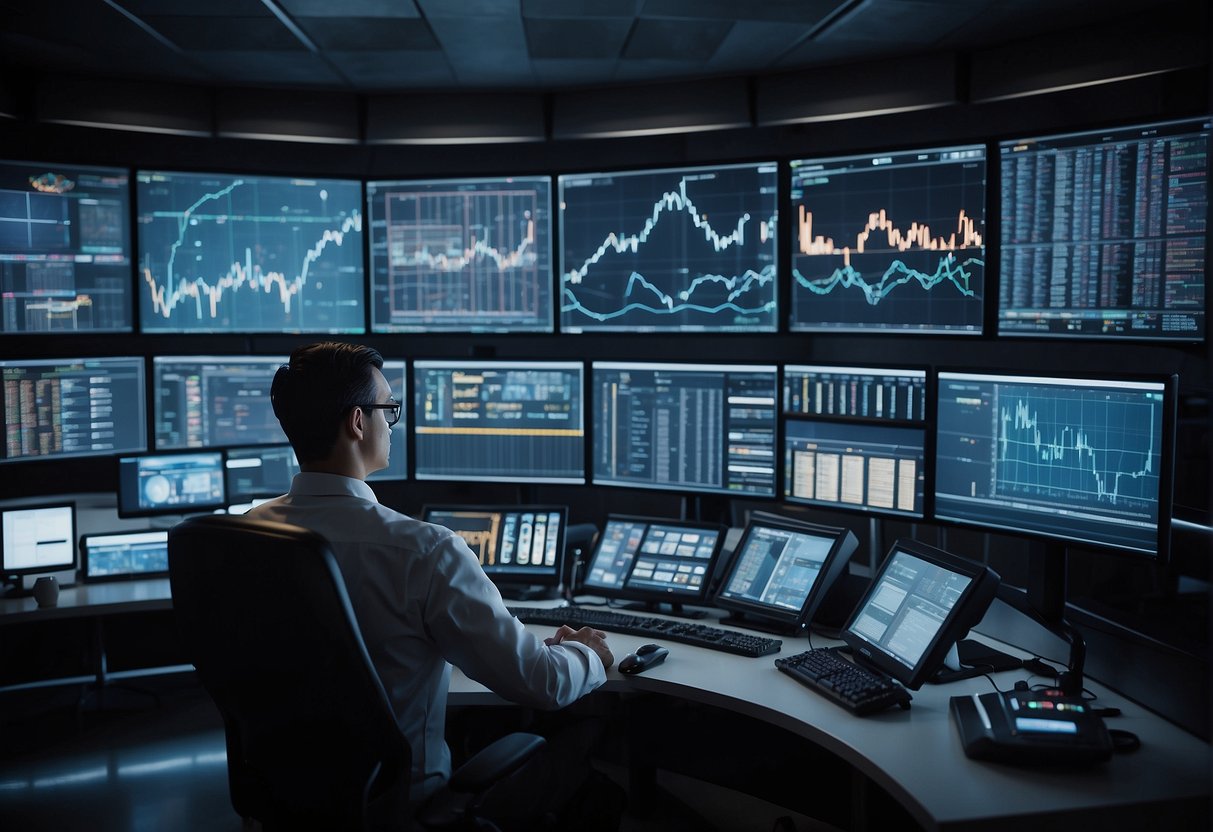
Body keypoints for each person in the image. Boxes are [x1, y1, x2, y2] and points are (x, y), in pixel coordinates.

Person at [248, 341, 616, 827]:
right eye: (389, 409)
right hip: (401, 808)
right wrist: (590, 653)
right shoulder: (423, 551)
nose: (392, 423)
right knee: (590, 765)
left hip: (284, 800)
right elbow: (541, 683)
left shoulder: (252, 531)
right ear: (358, 422)